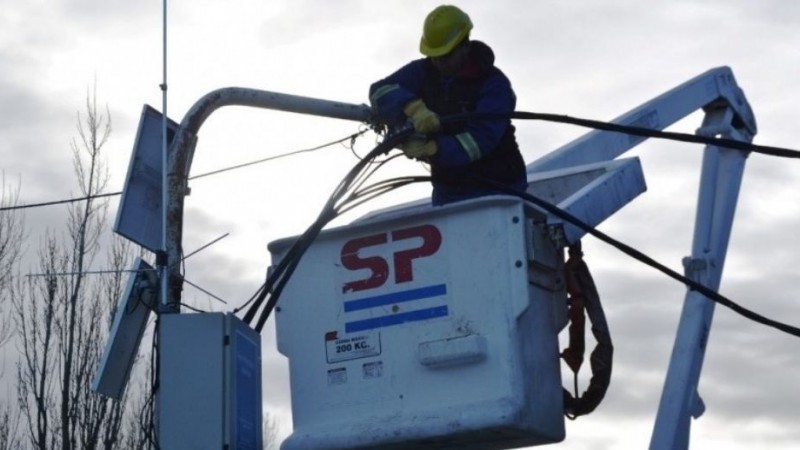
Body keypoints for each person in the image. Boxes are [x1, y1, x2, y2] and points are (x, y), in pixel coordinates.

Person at [369, 4, 528, 206]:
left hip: (499, 188)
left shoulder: (494, 85)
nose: (438, 62)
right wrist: (413, 107)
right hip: (449, 189)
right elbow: (380, 91)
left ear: (464, 46)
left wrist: (433, 149)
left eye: (445, 56)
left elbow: (479, 141)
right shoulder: (424, 71)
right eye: (433, 55)